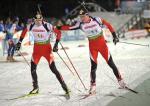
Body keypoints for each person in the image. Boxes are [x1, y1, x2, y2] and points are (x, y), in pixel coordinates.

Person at [58, 9, 126, 94]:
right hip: (92, 47)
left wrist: (114, 36)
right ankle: (93, 86)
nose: (82, 18)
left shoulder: (97, 20)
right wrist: (57, 27)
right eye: (80, 17)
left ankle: (120, 81)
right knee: (93, 67)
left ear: (87, 15)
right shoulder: (80, 24)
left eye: (83, 16)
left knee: (111, 64)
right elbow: (68, 27)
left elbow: (108, 25)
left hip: (102, 46)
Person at [15, 13, 70, 95]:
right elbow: (24, 31)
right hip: (37, 50)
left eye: (40, 20)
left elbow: (59, 33)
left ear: (42, 19)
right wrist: (19, 42)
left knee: (53, 69)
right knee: (33, 69)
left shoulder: (47, 25)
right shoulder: (31, 25)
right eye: (36, 20)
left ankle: (64, 85)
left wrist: (56, 44)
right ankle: (35, 88)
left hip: (47, 49)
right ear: (34, 20)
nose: (38, 22)